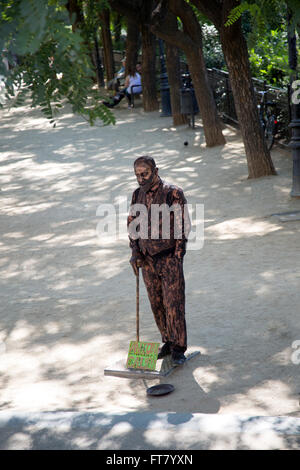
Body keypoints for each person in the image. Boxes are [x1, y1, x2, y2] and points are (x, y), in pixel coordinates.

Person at [127, 156, 191, 366]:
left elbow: (183, 225)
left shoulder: (173, 192)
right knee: (157, 304)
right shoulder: (137, 194)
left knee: (173, 304)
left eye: (144, 173)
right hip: (147, 260)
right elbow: (132, 226)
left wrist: (178, 256)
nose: (141, 178)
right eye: (137, 175)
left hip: (169, 257)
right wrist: (135, 252)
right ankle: (167, 340)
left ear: (155, 170)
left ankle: (178, 348)